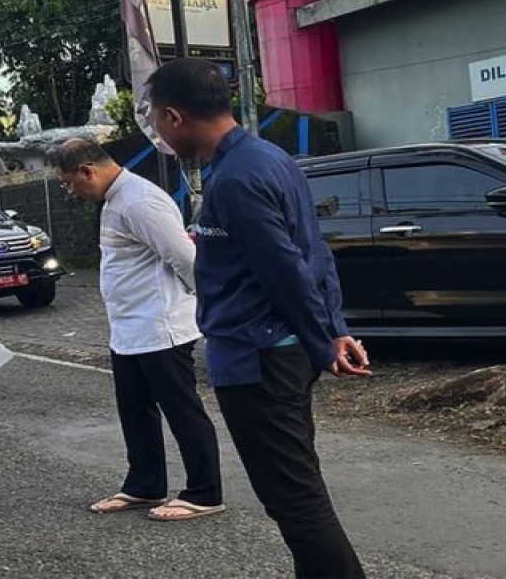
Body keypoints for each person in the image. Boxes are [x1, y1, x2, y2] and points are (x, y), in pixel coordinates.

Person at [147, 58, 372, 578]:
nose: (156, 129)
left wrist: (324, 340)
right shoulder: (270, 158)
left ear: (176, 116)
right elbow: (316, 252)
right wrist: (332, 329)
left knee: (293, 499)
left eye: (156, 117)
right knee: (297, 491)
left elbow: (287, 270)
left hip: (258, 361)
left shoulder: (235, 181)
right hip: (278, 353)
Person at [49, 138, 224, 522]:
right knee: (135, 409)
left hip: (160, 326)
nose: (69, 190)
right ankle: (144, 484)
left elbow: (185, 257)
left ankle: (204, 491)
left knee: (182, 410)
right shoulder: (116, 199)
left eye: (67, 181)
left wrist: (208, 309)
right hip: (129, 329)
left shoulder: (140, 200)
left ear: (87, 171)